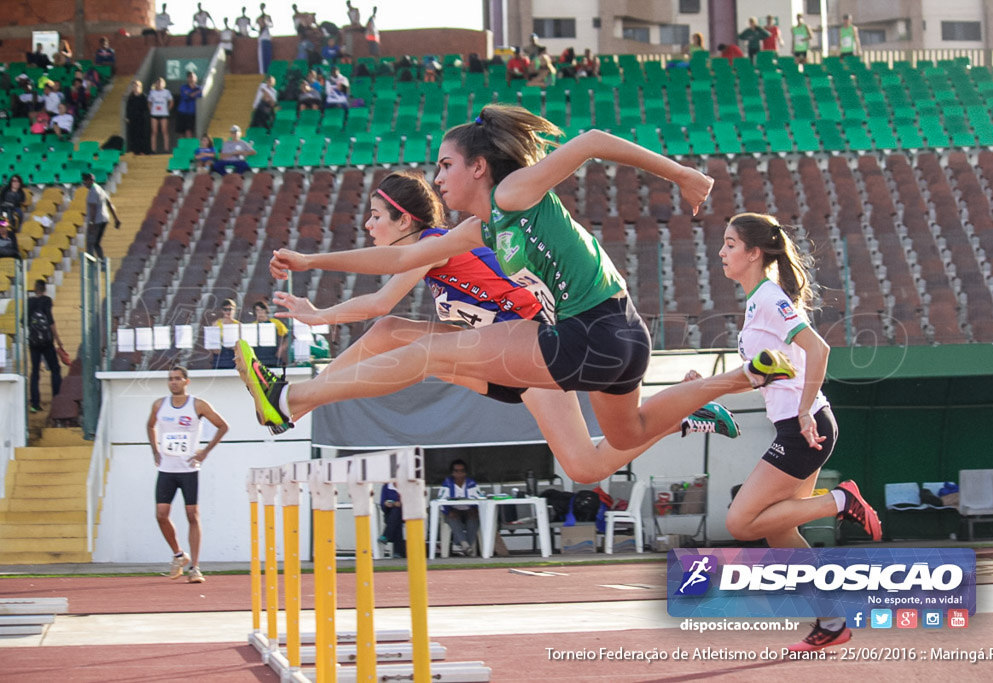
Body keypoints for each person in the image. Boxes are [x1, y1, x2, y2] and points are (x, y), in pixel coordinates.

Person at [244, 106, 796, 467]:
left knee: (425, 351)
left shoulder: (513, 194)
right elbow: (404, 257)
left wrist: (681, 174)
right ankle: (740, 379)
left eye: (444, 165)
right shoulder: (479, 228)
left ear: (479, 168)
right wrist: (313, 257)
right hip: (621, 338)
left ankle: (290, 400)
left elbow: (593, 140)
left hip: (590, 331)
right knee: (620, 443)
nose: (436, 179)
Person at [269, 171, 740, 481]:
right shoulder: (435, 254)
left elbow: (380, 296)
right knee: (393, 332)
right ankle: (293, 403)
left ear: (404, 218)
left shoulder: (435, 243)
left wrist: (319, 309)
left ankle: (681, 410)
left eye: (375, 216)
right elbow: (387, 293)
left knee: (584, 467)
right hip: (498, 357)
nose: (370, 226)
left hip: (535, 349)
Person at [714, 213, 881, 651]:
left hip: (803, 430)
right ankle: (831, 622)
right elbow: (772, 373)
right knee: (780, 533)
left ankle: (841, 500)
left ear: (754, 253)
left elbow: (818, 348)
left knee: (741, 521)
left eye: (730, 244)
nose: (722, 252)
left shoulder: (769, 297)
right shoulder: (757, 302)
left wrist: (805, 410)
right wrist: (706, 386)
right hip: (799, 427)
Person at [147, 366, 229, 584]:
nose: (173, 382)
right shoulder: (159, 405)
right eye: (170, 379)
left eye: (177, 379)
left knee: (192, 516)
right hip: (167, 469)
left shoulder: (197, 405)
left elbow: (222, 426)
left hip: (189, 470)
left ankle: (195, 568)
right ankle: (178, 555)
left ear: (186, 381)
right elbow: (150, 425)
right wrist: (155, 450)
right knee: (161, 514)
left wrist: (205, 451)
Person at [27, 279, 64, 414]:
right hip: (47, 342)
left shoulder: (29, 302)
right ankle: (57, 400)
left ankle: (35, 404)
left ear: (35, 288)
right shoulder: (47, 301)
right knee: (55, 369)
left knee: (35, 372)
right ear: (44, 289)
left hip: (34, 343)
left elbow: (24, 321)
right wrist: (58, 340)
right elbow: (50, 322)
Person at [439, 460, 482, 556]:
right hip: (453, 510)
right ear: (452, 472)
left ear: (465, 472)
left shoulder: (472, 483)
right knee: (453, 519)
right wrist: (448, 511)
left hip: (469, 509)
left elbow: (479, 499)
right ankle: (465, 545)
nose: (459, 474)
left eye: (462, 471)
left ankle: (465, 547)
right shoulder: (447, 484)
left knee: (474, 519)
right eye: (456, 471)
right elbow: (441, 500)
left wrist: (475, 509)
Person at [83, 172, 120, 260]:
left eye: (85, 181)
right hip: (104, 219)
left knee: (90, 242)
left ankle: (90, 263)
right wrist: (116, 219)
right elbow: (109, 204)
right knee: (96, 243)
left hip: (96, 220)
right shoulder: (100, 189)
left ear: (90, 181)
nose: (84, 183)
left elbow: (93, 208)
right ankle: (102, 261)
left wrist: (91, 222)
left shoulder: (93, 191)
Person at [252, 300, 288, 367]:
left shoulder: (275, 323)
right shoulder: (253, 325)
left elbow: (287, 336)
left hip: (273, 356)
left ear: (266, 311)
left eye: (262, 310)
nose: (260, 313)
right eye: (257, 310)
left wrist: (281, 349)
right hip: (257, 357)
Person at [147, 77, 174, 154]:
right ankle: (153, 150)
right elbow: (149, 102)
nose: (159, 84)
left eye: (160, 82)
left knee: (164, 131)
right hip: (154, 114)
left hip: (164, 114)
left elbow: (171, 101)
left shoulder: (167, 92)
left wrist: (167, 110)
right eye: (157, 82)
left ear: (163, 84)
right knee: (154, 132)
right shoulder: (152, 92)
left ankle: (166, 149)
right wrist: (151, 110)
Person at [379, 482, 405, 558]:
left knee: (396, 512)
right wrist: (387, 504)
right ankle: (398, 552)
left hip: (405, 513)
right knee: (396, 516)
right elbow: (382, 503)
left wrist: (400, 504)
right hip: (390, 514)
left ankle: (386, 535)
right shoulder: (386, 487)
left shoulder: (406, 486)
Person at [125, 80, 151, 155]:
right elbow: (128, 108)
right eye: (134, 86)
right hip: (133, 119)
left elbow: (146, 109)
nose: (135, 88)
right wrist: (128, 117)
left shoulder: (143, 97)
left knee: (142, 135)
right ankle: (134, 150)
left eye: (137, 86)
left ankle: (142, 151)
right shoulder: (130, 97)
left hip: (141, 120)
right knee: (133, 135)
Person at [213, 299, 241, 368]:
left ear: (234, 310)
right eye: (225, 309)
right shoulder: (216, 323)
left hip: (234, 353)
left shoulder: (238, 325)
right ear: (222, 311)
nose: (228, 312)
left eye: (230, 309)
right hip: (221, 353)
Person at [177, 71, 202, 139]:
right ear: (187, 78)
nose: (192, 78)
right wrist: (197, 92)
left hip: (191, 112)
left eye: (193, 77)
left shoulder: (198, 88)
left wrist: (197, 92)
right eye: (190, 77)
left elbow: (200, 95)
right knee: (181, 132)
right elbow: (190, 95)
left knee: (189, 131)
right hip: (182, 111)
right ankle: (182, 147)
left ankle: (189, 147)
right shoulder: (183, 87)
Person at [257, 3, 274, 75]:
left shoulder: (267, 17)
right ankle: (262, 72)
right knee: (261, 56)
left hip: (268, 37)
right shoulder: (258, 18)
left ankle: (268, 71)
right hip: (261, 37)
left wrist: (265, 22)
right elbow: (254, 27)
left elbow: (271, 25)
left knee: (269, 55)